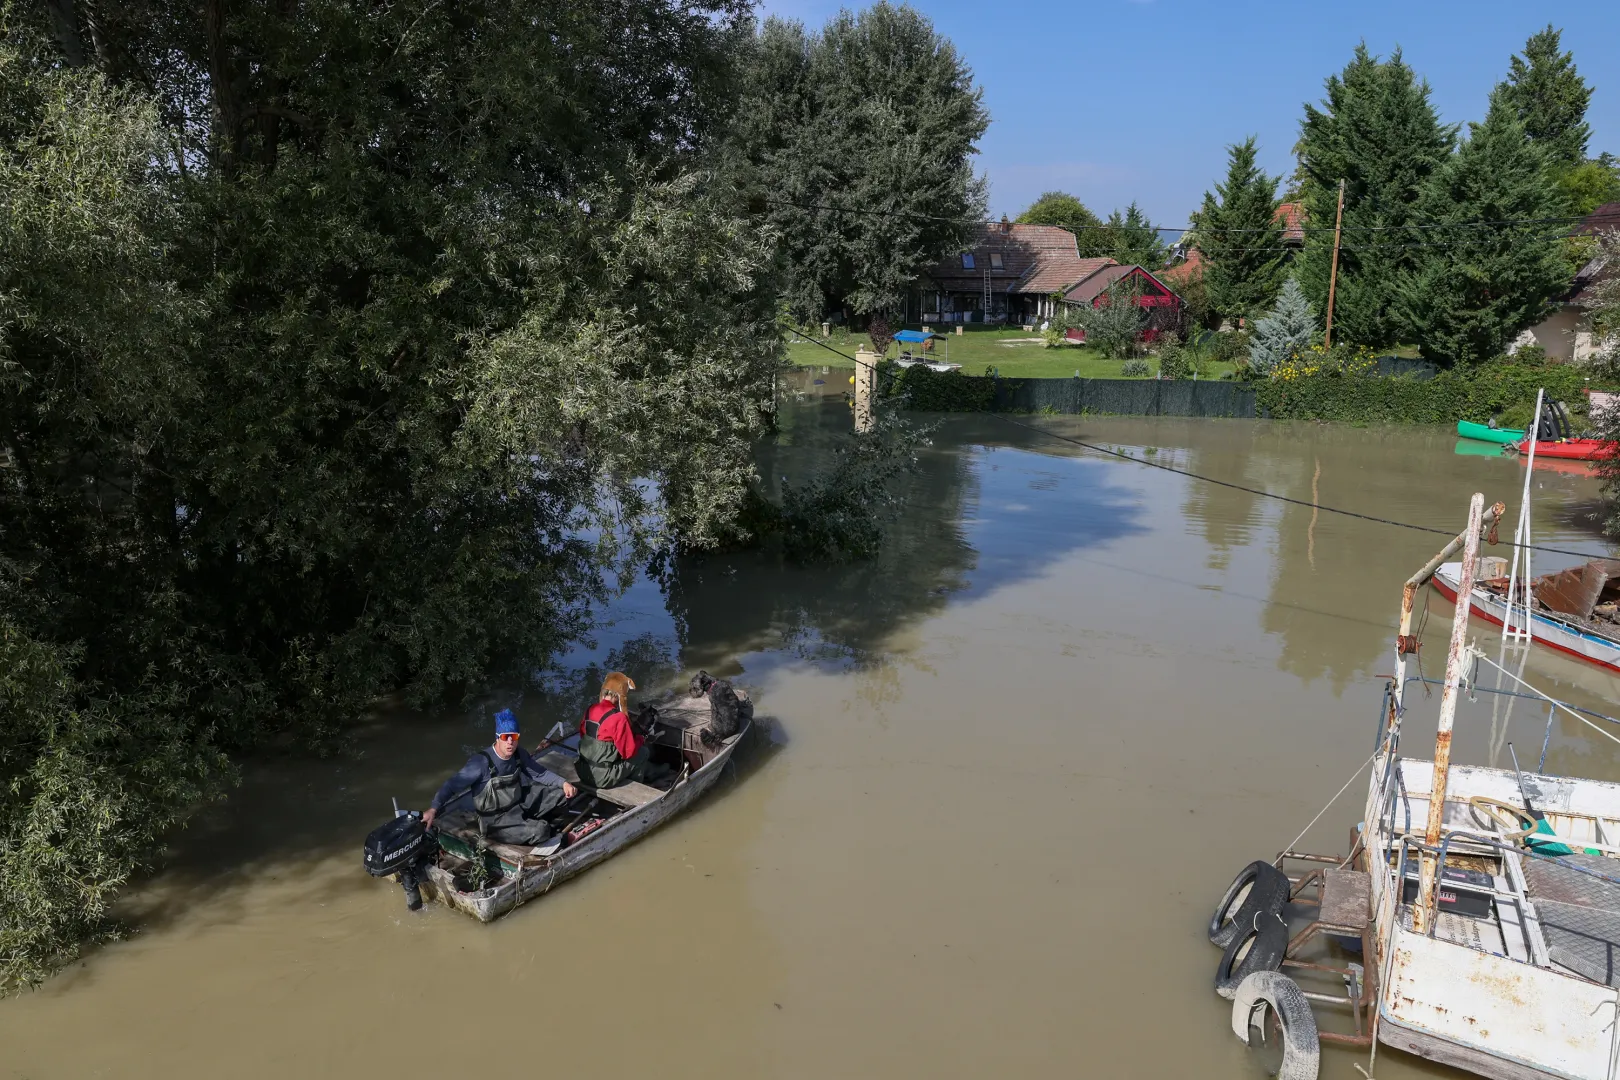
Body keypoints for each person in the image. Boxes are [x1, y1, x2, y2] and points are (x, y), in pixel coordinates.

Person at [423, 709, 577, 846]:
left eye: (514, 737)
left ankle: (530, 824)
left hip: (519, 803)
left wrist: (563, 783)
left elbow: (540, 773)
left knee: (562, 795)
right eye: (505, 737)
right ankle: (537, 829)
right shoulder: (481, 762)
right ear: (498, 738)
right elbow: (451, 785)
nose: (510, 742)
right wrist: (433, 809)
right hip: (495, 820)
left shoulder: (518, 754)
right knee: (541, 830)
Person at [575, 671, 659, 790]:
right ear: (620, 695)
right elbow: (628, 753)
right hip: (602, 779)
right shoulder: (619, 717)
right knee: (642, 752)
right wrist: (640, 738)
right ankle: (635, 788)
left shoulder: (590, 709)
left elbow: (583, 736)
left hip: (583, 771)